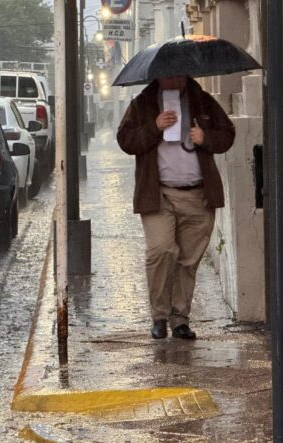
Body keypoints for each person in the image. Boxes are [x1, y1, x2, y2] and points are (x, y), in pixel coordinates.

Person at [116, 75, 235, 340]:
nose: (174, 79)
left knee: (188, 261)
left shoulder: (202, 101)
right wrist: (154, 127)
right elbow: (125, 140)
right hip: (159, 195)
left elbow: (227, 134)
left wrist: (206, 138)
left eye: (179, 73)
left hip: (198, 195)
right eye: (168, 73)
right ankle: (159, 316)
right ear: (157, 75)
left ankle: (179, 319)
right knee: (160, 251)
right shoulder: (142, 104)